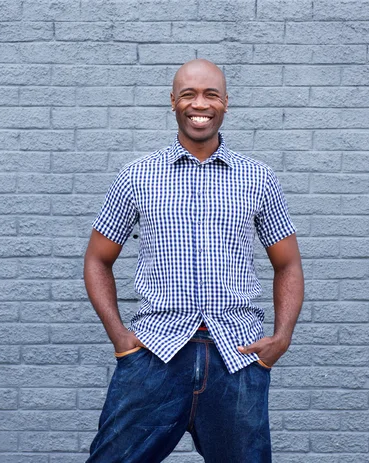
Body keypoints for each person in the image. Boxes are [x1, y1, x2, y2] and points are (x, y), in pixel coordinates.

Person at [83, 59, 304, 463]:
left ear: (225, 103)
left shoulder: (258, 178)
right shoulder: (138, 176)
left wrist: (281, 337)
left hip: (237, 358)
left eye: (210, 94)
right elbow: (98, 259)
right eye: (188, 94)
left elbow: (287, 264)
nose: (199, 104)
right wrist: (119, 337)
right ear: (173, 101)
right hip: (154, 355)